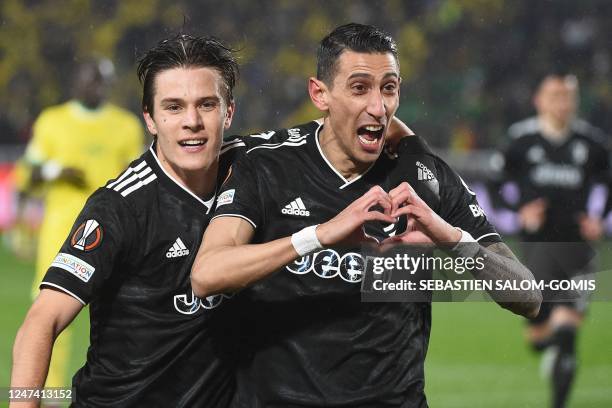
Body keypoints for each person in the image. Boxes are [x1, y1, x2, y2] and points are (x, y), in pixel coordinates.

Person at [192, 23, 541, 407]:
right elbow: (208, 274)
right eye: (360, 88)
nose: (378, 107)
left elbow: (528, 296)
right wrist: (318, 236)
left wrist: (452, 239)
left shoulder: (424, 176)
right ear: (319, 93)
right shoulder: (267, 166)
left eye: (388, 88)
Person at [10, 34, 255, 407]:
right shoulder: (118, 206)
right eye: (173, 107)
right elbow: (41, 322)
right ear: (151, 119)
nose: (191, 121)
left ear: (228, 112)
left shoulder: (255, 172)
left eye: (206, 104)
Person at [14, 58, 144, 389]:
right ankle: (50, 394)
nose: (87, 86)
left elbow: (142, 179)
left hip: (117, 235)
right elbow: (27, 175)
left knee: (121, 316)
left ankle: (118, 389)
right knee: (50, 316)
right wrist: (56, 171)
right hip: (62, 233)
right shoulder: (52, 121)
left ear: (106, 84)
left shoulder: (125, 126)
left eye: (94, 80)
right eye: (82, 78)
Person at [501, 74, 610, 408]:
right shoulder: (521, 141)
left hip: (578, 251)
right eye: (555, 96)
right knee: (539, 337)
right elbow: (494, 186)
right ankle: (548, 346)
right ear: (540, 100)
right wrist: (520, 212)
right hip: (536, 252)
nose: (563, 103)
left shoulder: (591, 144)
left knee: (566, 334)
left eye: (568, 97)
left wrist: (600, 220)